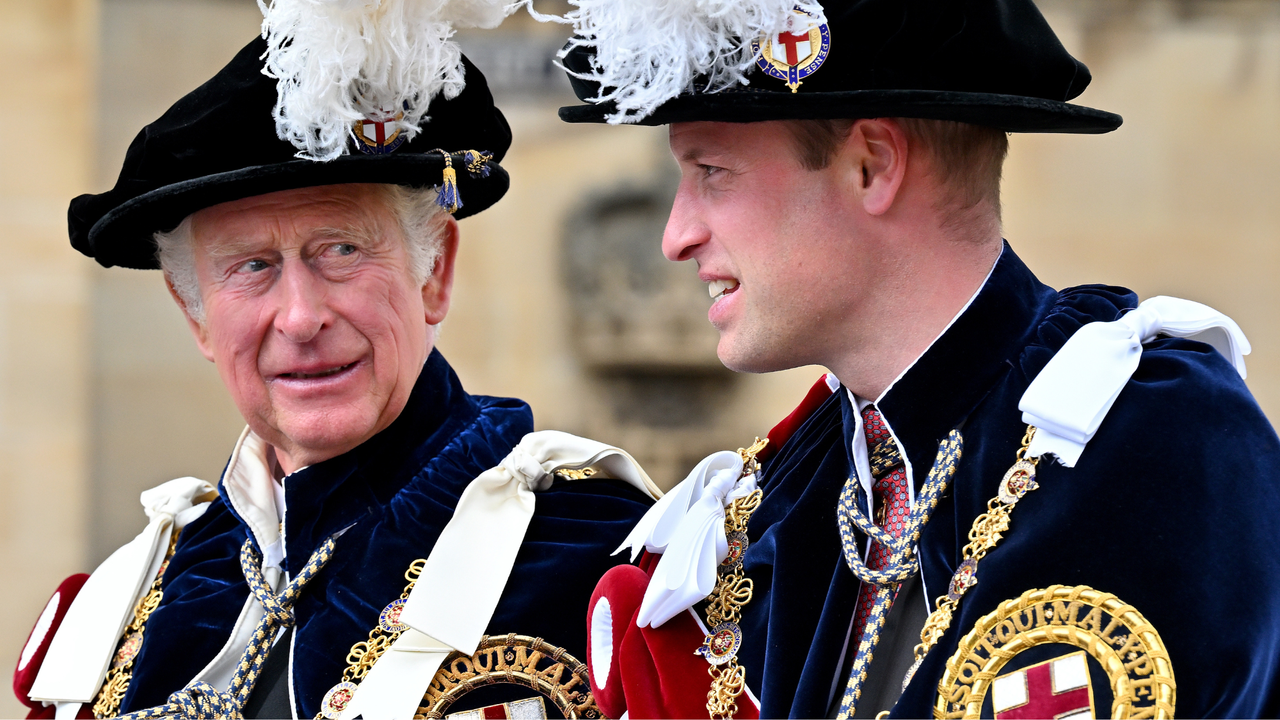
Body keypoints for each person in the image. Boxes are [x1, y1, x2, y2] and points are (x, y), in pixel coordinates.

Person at [534, 0, 1280, 717]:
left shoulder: (1153, 439)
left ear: (872, 166)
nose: (675, 236)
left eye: (712, 174)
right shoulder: (791, 494)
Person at [12, 6, 657, 719]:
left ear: (434, 271)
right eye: (252, 266)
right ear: (194, 312)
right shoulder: (140, 591)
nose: (301, 316)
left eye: (341, 250)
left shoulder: (590, 551)